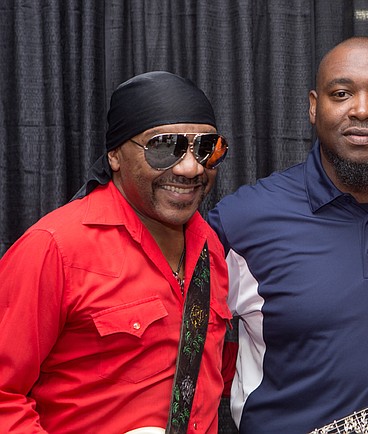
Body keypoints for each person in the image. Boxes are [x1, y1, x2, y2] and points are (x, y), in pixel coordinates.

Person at [208, 37, 368, 433]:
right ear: (314, 106)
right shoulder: (243, 220)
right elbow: (176, 344)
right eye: (341, 93)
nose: (362, 110)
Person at [0, 71, 233, 433]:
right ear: (115, 155)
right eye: (163, 147)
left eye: (206, 148)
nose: (191, 167)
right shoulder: (55, 247)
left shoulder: (210, 248)